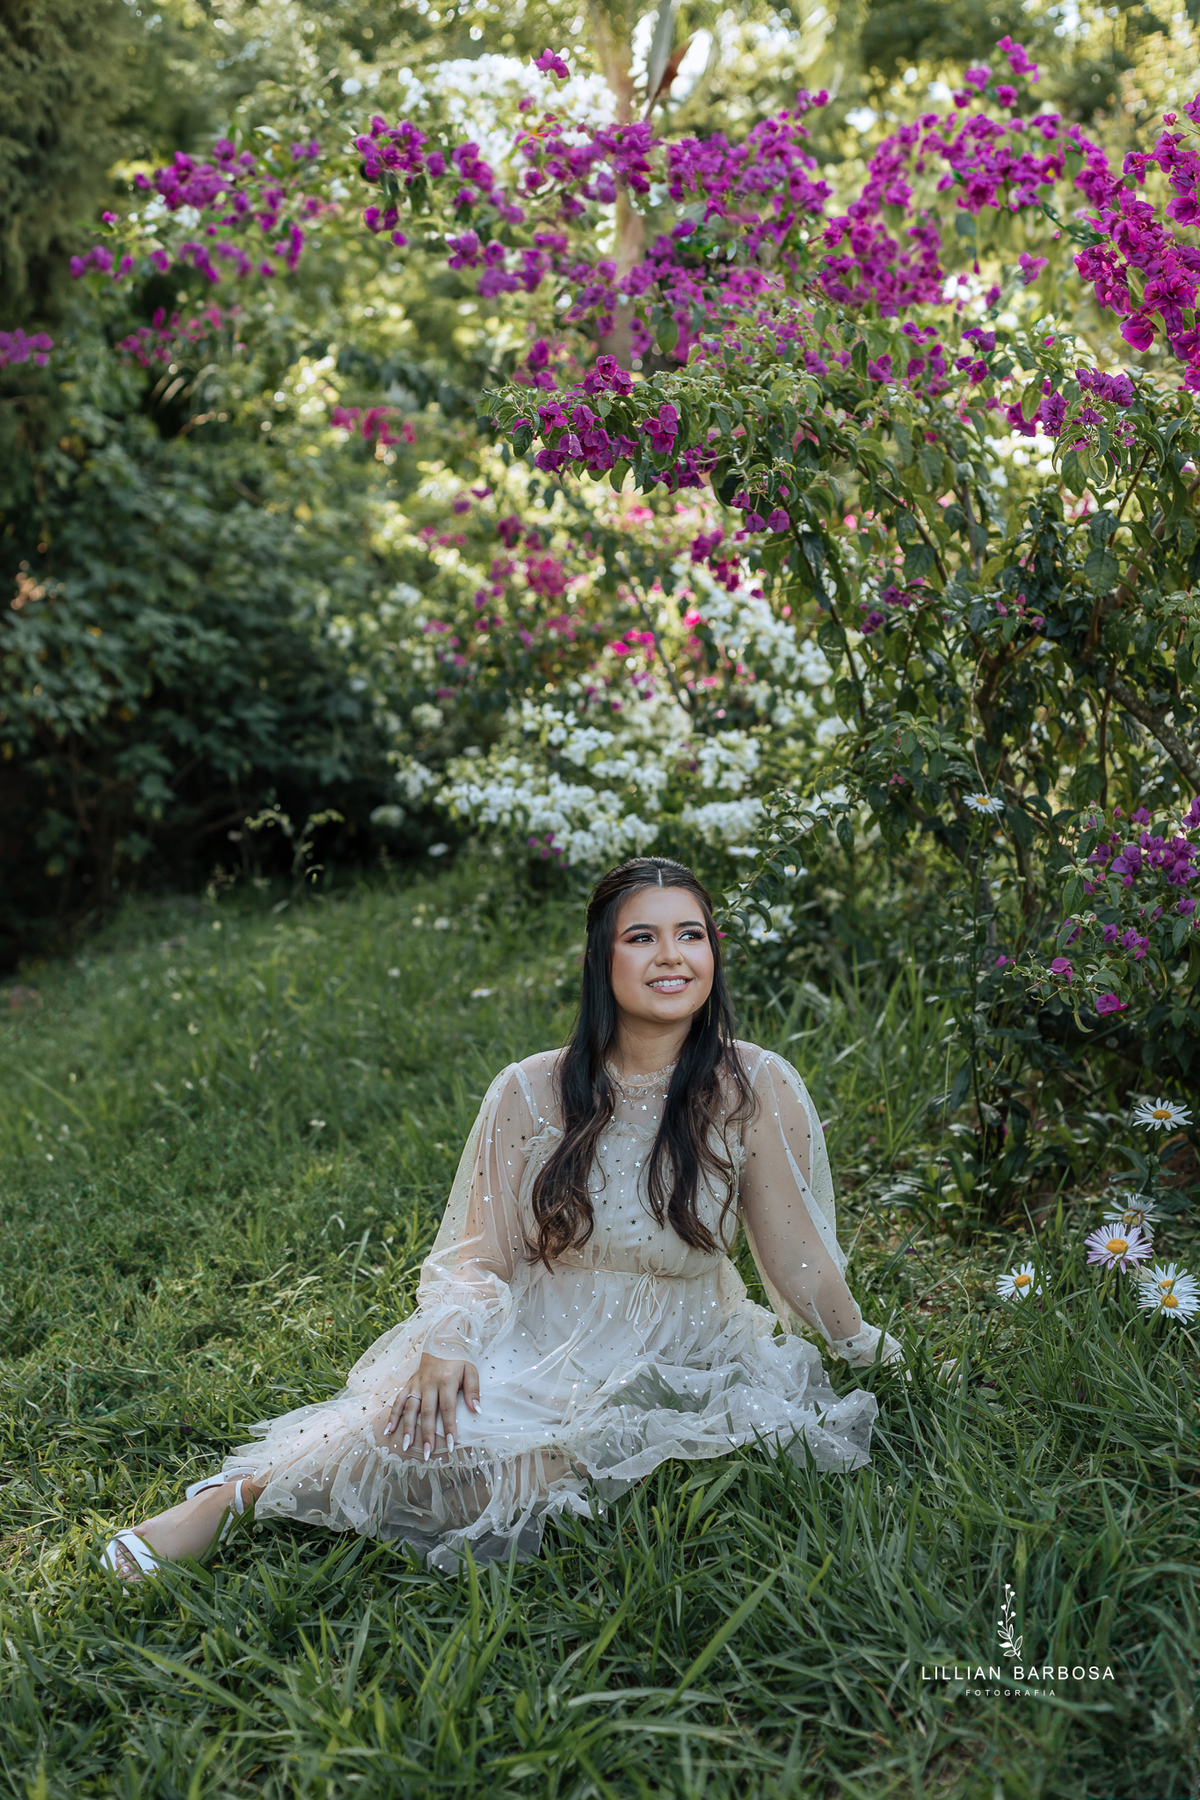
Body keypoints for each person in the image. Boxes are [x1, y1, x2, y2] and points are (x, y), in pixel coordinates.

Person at [104, 856, 904, 1580]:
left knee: (533, 1474)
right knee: (410, 1429)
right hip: (538, 1327)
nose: (672, 956)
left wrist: (859, 1344)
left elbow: (795, 1252)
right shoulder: (529, 1089)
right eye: (643, 937)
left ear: (713, 953)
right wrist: (450, 1340)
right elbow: (481, 1251)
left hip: (674, 1342)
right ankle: (233, 1497)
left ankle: (365, 1495)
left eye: (691, 935)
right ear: (602, 957)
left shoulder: (752, 1084)